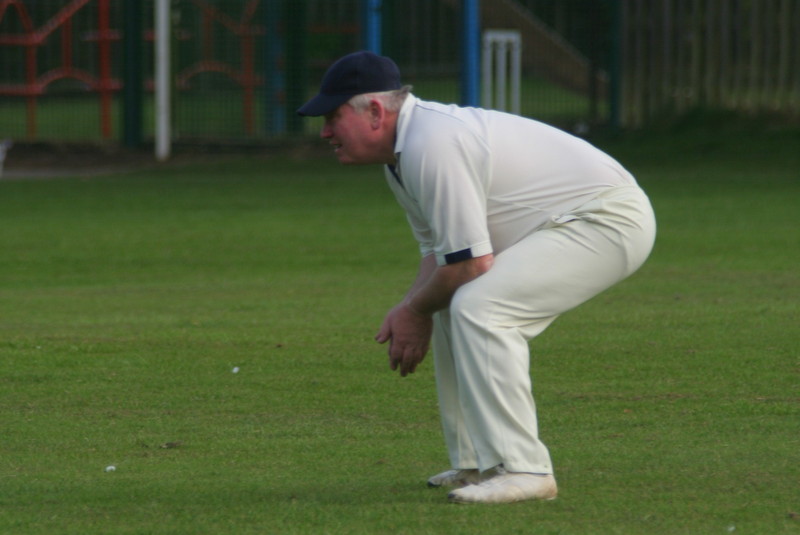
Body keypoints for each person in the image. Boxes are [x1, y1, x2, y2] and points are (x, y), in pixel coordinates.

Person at [297, 51, 656, 504]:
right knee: (451, 300)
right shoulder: (403, 155)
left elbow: (470, 264)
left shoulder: (432, 143)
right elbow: (441, 254)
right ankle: (476, 462)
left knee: (481, 306)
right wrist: (417, 308)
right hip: (569, 221)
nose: (325, 132)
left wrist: (412, 310)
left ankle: (526, 470)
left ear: (374, 112)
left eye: (333, 116)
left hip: (607, 219)